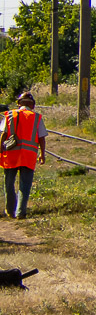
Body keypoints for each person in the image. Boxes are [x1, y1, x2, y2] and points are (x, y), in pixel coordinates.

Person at [1, 91, 47, 219]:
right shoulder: (36, 117)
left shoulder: (10, 115)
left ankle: (10, 210)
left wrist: (0, 150)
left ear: (18, 103)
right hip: (29, 155)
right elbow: (42, 138)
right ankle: (21, 212)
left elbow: (3, 134)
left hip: (11, 154)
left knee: (9, 183)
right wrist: (42, 154)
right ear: (32, 105)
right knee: (25, 185)